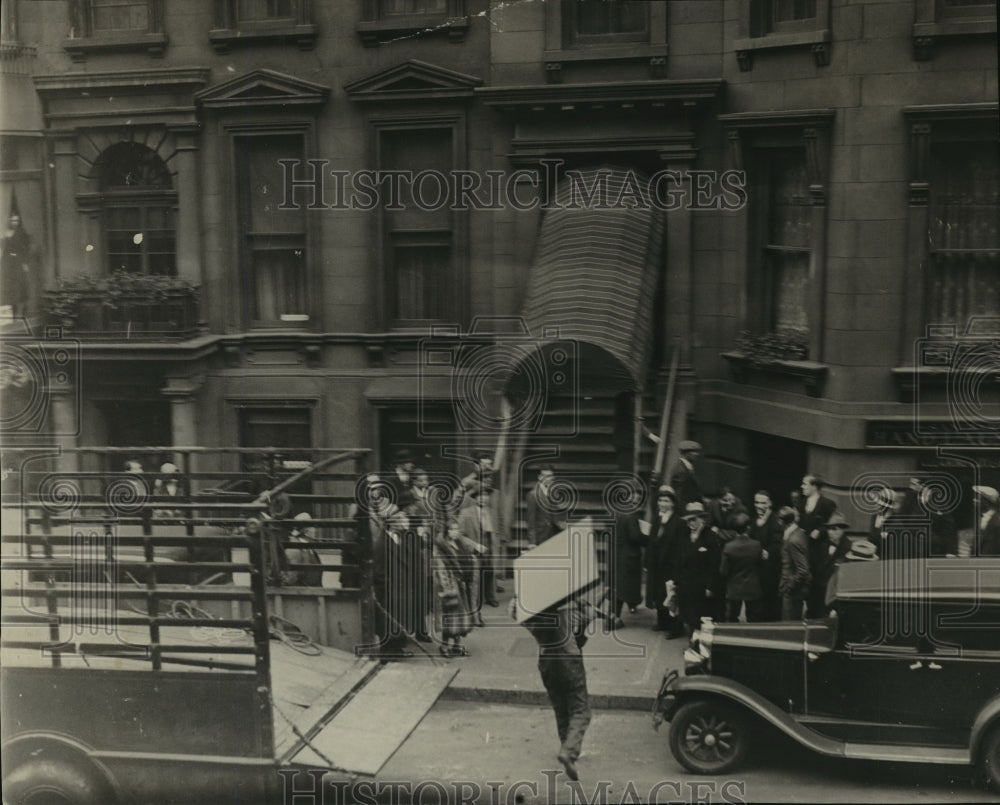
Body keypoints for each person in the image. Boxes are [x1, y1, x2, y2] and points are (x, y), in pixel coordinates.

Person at [510, 594, 597, 781]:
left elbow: (514, 611)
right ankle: (569, 751)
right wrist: (585, 606)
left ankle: (565, 744)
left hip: (546, 660)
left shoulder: (526, 608)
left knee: (560, 707)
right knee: (581, 709)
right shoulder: (568, 605)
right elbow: (587, 616)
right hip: (568, 659)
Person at [670, 501, 723, 636]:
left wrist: (710, 587)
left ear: (703, 519)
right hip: (685, 584)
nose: (690, 524)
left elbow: (714, 565)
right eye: (688, 521)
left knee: (701, 617)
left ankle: (699, 646)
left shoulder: (710, 537)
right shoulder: (684, 535)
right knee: (687, 616)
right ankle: (692, 643)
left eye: (694, 520)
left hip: (701, 586)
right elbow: (678, 560)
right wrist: (675, 581)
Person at [644, 485, 686, 638]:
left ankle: (675, 627)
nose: (662, 503)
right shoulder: (657, 519)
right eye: (660, 500)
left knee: (671, 595)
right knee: (659, 594)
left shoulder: (679, 522)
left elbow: (680, 547)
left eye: (666, 501)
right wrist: (647, 562)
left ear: (673, 503)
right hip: (657, 565)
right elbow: (651, 542)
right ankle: (662, 622)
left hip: (670, 565)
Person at [432, 518, 476, 656]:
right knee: (449, 617)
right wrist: (447, 588)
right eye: (453, 529)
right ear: (447, 531)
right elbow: (440, 569)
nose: (456, 532)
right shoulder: (441, 549)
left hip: (461, 584)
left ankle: (457, 645)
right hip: (449, 585)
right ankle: (444, 646)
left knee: (460, 617)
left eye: (457, 529)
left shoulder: (459, 544)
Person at [458, 486, 501, 608]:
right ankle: (475, 599)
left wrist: (495, 544)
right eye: (480, 496)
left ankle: (490, 596)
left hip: (490, 546)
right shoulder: (466, 513)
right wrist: (474, 545)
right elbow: (459, 535)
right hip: (474, 548)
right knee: (476, 573)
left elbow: (496, 531)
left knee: (489, 571)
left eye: (486, 496)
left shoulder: (492, 512)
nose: (483, 499)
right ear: (475, 498)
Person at [608, 491, 646, 628]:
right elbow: (635, 537)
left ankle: (628, 607)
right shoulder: (631, 516)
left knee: (618, 587)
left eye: (637, 502)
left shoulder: (616, 512)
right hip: (628, 556)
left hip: (616, 554)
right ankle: (613, 619)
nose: (635, 504)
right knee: (623, 588)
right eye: (634, 501)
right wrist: (649, 539)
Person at [719, 513, 764, 622]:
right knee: (754, 618)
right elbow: (761, 565)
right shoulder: (756, 545)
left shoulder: (729, 547)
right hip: (753, 586)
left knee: (732, 617)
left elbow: (723, 571)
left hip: (734, 588)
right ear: (748, 528)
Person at [750, 490, 785, 621]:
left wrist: (766, 552)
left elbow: (777, 545)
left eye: (763, 503)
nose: (759, 506)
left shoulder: (775, 521)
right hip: (757, 570)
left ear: (769, 503)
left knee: (772, 605)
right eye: (757, 502)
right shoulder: (754, 520)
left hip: (771, 572)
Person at [810, 512, 851, 615]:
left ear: (842, 530)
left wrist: (835, 606)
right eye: (829, 529)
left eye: (834, 529)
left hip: (833, 598)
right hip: (817, 596)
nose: (830, 532)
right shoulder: (822, 544)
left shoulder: (848, 548)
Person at [778, 506, 811, 621]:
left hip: (793, 592)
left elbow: (803, 570)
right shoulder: (799, 533)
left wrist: (789, 587)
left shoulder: (793, 540)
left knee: (789, 625)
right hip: (794, 590)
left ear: (782, 522)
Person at [1, 212, 36, 317]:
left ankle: (24, 313)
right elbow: (3, 249)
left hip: (18, 262)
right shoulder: (5, 233)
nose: (14, 223)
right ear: (9, 221)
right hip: (7, 263)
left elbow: (26, 249)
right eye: (13, 220)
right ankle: (13, 314)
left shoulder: (21, 233)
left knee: (21, 287)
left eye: (16, 221)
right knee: (9, 288)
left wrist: (25, 263)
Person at [526, 465, 565, 546]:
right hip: (540, 536)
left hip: (553, 533)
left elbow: (554, 512)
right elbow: (531, 521)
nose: (547, 479)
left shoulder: (551, 491)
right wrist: (532, 542)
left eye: (550, 476)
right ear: (539, 477)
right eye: (545, 476)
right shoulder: (533, 495)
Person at [669, 440, 703, 509]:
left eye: (697, 451)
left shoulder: (687, 468)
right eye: (694, 451)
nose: (697, 454)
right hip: (685, 509)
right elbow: (679, 495)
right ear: (686, 453)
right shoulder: (681, 470)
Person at [974, 486, 1000, 557]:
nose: (974, 500)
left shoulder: (997, 523)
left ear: (986, 501)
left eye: (977, 498)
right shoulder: (980, 518)